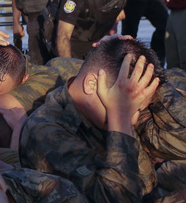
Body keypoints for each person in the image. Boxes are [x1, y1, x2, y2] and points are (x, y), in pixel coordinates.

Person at [19, 37, 164, 202]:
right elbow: (116, 198)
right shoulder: (45, 132)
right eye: (130, 110)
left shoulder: (104, 112)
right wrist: (120, 116)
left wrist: (134, 54)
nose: (134, 119)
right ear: (91, 85)